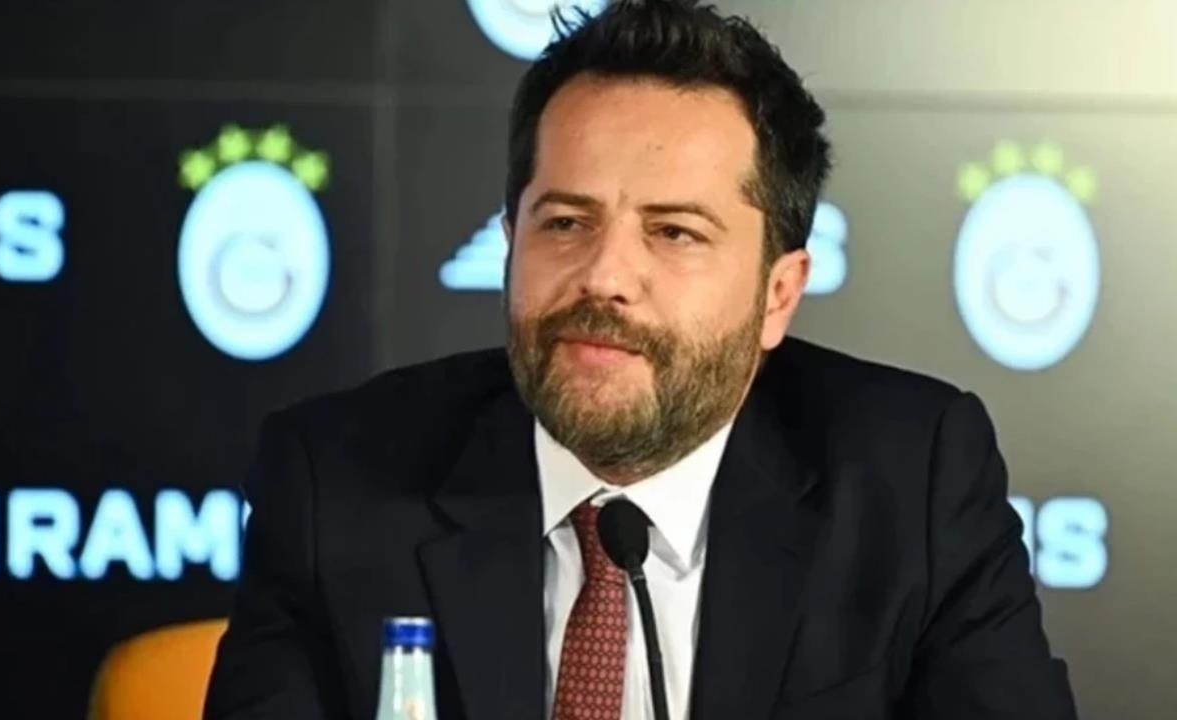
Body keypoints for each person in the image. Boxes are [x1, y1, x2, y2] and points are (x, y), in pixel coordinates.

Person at [203, 1, 1078, 718]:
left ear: (778, 293)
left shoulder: (912, 481)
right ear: (510, 243)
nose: (605, 277)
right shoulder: (334, 483)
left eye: (675, 232)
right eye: (565, 222)